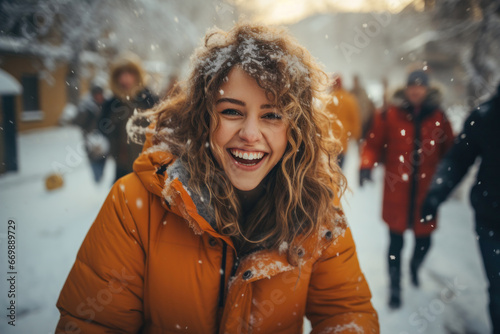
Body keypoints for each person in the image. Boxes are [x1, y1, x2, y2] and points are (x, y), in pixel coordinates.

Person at [55, 23, 379, 333]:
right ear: (201, 116)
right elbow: (93, 323)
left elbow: (345, 312)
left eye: (272, 115)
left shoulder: (316, 208)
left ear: (295, 128)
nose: (251, 134)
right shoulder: (133, 205)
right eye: (232, 111)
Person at [359, 70, 454, 309]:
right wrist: (366, 165)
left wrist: (446, 182)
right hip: (396, 192)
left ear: (427, 90)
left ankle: (414, 266)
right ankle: (395, 287)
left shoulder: (439, 117)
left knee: (425, 242)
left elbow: (451, 153)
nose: (416, 90)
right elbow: (372, 144)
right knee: (395, 244)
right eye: (412, 86)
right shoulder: (390, 114)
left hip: (426, 193)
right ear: (407, 88)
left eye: (420, 87)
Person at [421, 83, 500, 334]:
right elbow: (458, 158)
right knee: (499, 289)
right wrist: (435, 194)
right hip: (492, 220)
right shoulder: (487, 114)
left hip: (488, 213)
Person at [99, 53, 158, 182]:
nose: (125, 78)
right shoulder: (111, 104)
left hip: (148, 166)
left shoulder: (149, 100)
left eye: (129, 73)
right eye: (121, 74)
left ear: (137, 76)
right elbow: (102, 131)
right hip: (122, 166)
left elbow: (163, 128)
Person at [72, 84, 108, 183]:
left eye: (100, 94)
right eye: (96, 94)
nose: (99, 97)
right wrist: (84, 112)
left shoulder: (106, 105)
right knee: (94, 162)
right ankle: (97, 179)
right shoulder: (86, 106)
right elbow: (77, 122)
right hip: (90, 141)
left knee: (103, 161)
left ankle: (100, 178)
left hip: (104, 140)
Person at [324, 74, 361, 168]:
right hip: (343, 141)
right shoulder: (349, 99)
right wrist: (355, 135)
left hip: (329, 142)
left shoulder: (328, 99)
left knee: (329, 171)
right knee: (339, 170)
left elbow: (322, 119)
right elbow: (355, 120)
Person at [350, 74, 375, 140]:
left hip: (363, 120)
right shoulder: (351, 92)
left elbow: (367, 106)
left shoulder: (363, 92)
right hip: (355, 121)